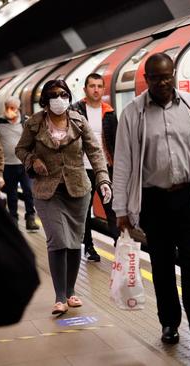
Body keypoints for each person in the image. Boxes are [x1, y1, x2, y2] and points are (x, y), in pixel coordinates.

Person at [112, 53, 190, 362]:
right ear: (146, 80)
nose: (163, 83)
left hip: (188, 200)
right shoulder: (133, 113)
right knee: (162, 268)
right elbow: (122, 163)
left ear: (173, 74)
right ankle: (169, 324)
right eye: (156, 78)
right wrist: (120, 210)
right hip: (153, 201)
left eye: (167, 76)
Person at [16, 80, 111, 314]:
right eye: (54, 95)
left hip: (78, 189)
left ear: (69, 96)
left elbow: (95, 151)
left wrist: (103, 180)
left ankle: (71, 293)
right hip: (47, 190)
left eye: (63, 94)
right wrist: (32, 160)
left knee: (74, 242)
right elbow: (21, 149)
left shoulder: (79, 121)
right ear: (45, 100)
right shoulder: (35, 123)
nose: (59, 98)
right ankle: (59, 296)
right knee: (58, 239)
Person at [72, 73, 119, 262]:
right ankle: (89, 246)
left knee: (112, 208)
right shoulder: (75, 111)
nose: (96, 89)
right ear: (85, 89)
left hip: (105, 168)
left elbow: (116, 143)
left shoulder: (109, 113)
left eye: (99, 86)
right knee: (85, 210)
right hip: (82, 168)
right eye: (92, 86)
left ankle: (119, 245)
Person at [0, 96, 40, 231]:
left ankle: (30, 218)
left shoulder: (26, 122)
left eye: (12, 108)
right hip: (7, 165)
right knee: (11, 193)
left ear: (18, 108)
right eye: (7, 107)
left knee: (29, 191)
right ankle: (13, 217)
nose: (9, 110)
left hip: (24, 164)